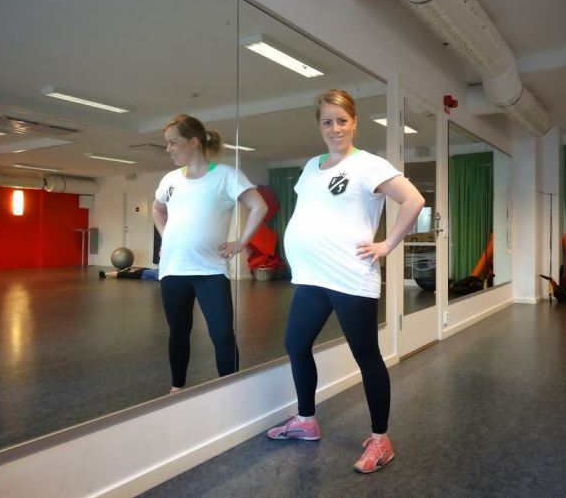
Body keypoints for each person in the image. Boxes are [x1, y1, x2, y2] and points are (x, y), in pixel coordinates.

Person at [266, 89, 425, 474]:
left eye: (342, 120)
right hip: (312, 277)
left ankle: (381, 439)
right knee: (296, 344)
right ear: (319, 125)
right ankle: (306, 421)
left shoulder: (369, 164)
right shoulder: (311, 166)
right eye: (327, 122)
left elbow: (414, 200)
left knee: (366, 355)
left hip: (350, 275)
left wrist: (387, 244)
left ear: (354, 122)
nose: (335, 128)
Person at [152, 114, 267, 394]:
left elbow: (259, 206)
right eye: (167, 143)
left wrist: (240, 243)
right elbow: (157, 208)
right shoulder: (170, 179)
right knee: (179, 332)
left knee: (222, 334)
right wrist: (166, 235)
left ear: (194, 142)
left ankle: (230, 390)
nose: (168, 149)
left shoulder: (226, 175)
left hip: (210, 271)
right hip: (173, 269)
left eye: (173, 142)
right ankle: (177, 388)